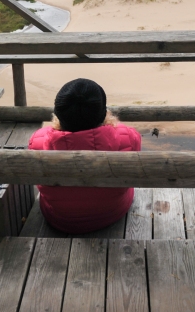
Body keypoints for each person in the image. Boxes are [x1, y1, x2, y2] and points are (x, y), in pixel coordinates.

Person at [28, 78, 142, 234]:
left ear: (59, 114)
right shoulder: (128, 137)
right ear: (103, 113)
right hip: (112, 212)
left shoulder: (37, 142)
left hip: (60, 218)